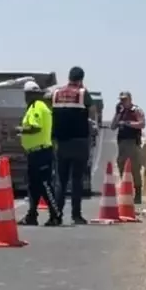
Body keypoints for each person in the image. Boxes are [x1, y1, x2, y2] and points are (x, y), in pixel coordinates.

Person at [50, 66, 98, 224]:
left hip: (61, 142)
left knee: (61, 181)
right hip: (79, 142)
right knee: (77, 180)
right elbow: (92, 113)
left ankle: (57, 215)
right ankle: (76, 215)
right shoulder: (83, 93)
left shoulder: (56, 93)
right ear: (81, 79)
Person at [16, 81, 61, 226]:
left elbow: (36, 127)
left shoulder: (37, 106)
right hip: (35, 152)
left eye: (27, 94)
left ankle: (55, 215)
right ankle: (32, 215)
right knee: (33, 186)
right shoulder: (37, 106)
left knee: (45, 185)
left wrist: (20, 130)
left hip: (40, 152)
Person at [113, 92, 146, 205]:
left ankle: (138, 194)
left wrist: (128, 123)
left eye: (125, 99)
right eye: (121, 100)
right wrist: (117, 114)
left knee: (135, 168)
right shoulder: (121, 112)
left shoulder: (136, 110)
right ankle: (126, 191)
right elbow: (113, 126)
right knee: (121, 166)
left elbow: (142, 124)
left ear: (130, 99)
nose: (123, 102)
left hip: (132, 142)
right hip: (122, 143)